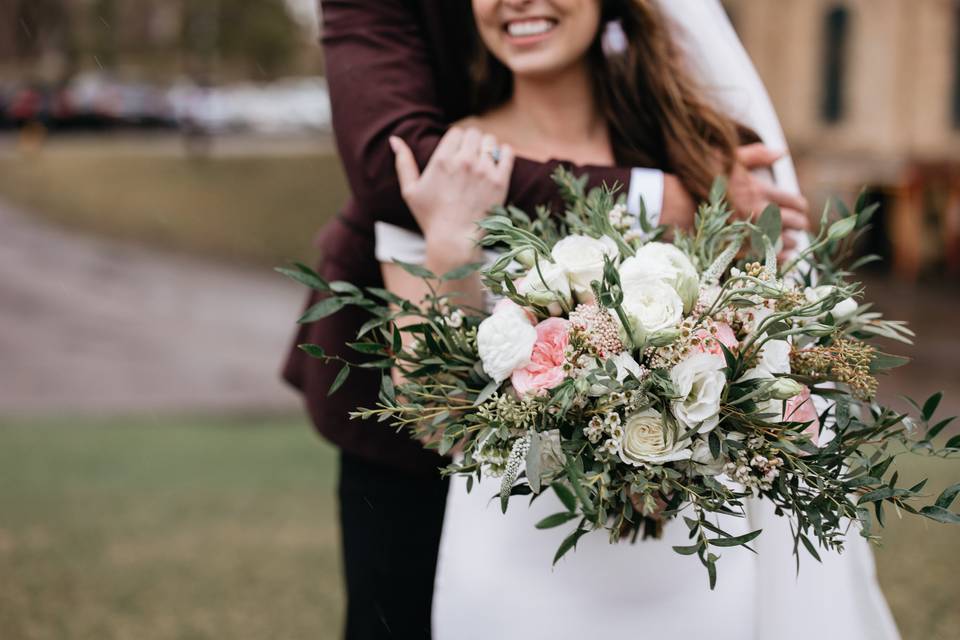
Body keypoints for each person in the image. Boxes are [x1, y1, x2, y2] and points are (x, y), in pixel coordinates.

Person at [283, 1, 810, 638]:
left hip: (675, 559)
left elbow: (765, 347)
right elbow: (430, 406)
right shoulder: (447, 168)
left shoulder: (704, 165)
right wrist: (448, 250)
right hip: (510, 551)